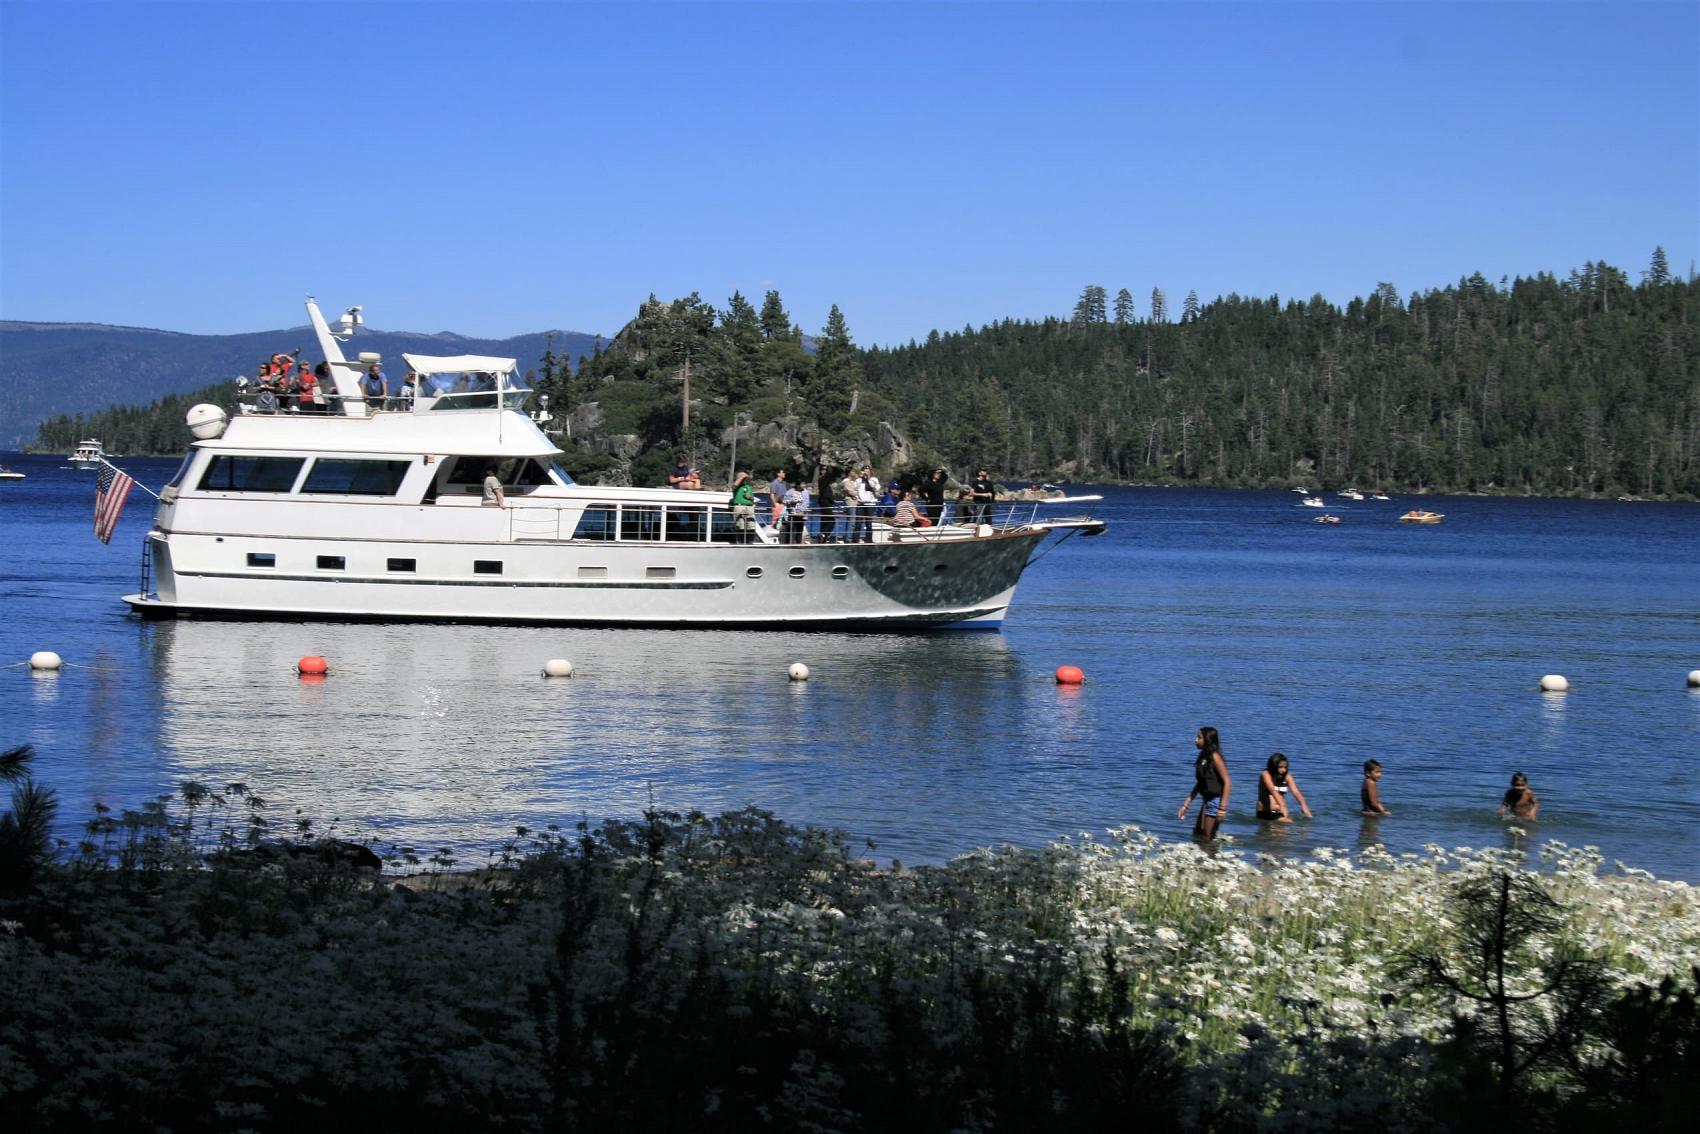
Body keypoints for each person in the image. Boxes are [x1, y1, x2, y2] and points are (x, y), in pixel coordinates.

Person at [1177, 726, 1231, 841]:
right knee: (1197, 834)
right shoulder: (1203, 756)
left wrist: (1222, 808)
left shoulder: (1215, 757)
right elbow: (1200, 783)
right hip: (1207, 800)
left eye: (1199, 737)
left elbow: (1227, 782)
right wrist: (1186, 804)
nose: (1195, 740)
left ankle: (1212, 856)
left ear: (1208, 740)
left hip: (1215, 801)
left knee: (1207, 838)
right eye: (1197, 737)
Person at [1256, 752, 1312, 822]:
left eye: (1285, 767)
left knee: (1290, 825)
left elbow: (1296, 792)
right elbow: (1272, 789)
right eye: (1280, 767)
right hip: (1265, 813)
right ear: (1273, 766)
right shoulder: (1265, 774)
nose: (1283, 770)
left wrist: (1304, 806)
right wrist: (1282, 805)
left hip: (1281, 813)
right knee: (1289, 822)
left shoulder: (1287, 776)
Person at [841, 468, 869, 543]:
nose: (854, 472)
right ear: (849, 473)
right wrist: (859, 492)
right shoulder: (846, 481)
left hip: (854, 502)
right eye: (852, 471)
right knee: (852, 520)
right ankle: (848, 538)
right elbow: (851, 492)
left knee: (851, 520)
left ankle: (848, 536)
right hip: (850, 502)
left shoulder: (852, 481)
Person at [729, 470, 757, 540]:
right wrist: (742, 476)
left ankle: (749, 542)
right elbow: (734, 485)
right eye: (741, 477)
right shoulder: (736, 487)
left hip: (749, 507)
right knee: (740, 525)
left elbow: (752, 498)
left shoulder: (748, 487)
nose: (744, 478)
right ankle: (740, 542)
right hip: (740, 506)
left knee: (751, 525)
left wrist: (750, 497)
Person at [780, 480, 809, 544]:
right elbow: (784, 501)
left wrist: (802, 512)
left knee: (799, 531)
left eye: (804, 484)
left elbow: (806, 503)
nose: (804, 486)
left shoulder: (805, 492)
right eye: (802, 484)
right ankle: (789, 544)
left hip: (801, 515)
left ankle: (798, 544)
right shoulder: (790, 492)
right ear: (798, 485)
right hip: (792, 515)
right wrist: (791, 501)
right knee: (791, 530)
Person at [815, 469, 839, 542]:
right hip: (825, 502)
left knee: (825, 520)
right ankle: (824, 534)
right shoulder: (822, 480)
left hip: (826, 502)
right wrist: (829, 467)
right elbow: (829, 475)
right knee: (832, 521)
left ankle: (823, 537)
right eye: (823, 470)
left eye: (826, 470)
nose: (825, 471)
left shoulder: (824, 481)